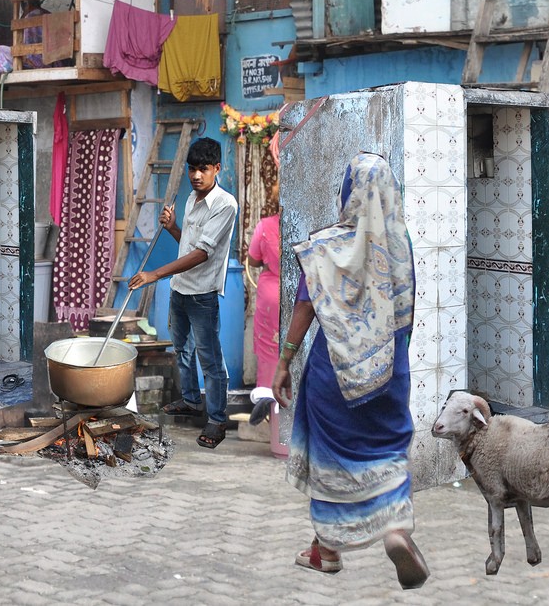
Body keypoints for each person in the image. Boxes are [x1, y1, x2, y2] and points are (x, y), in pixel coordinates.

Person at [274, 150, 429, 588]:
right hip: (389, 372)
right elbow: (406, 309)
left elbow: (305, 305)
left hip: (334, 375)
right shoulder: (400, 243)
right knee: (388, 450)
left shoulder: (328, 247)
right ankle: (395, 529)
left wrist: (284, 362)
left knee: (330, 458)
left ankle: (326, 550)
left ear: (348, 192)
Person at [131, 137, 238, 450]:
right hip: (179, 289)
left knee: (210, 359)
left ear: (217, 168)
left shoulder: (225, 205)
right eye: (192, 169)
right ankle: (191, 401)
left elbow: (202, 254)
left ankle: (217, 420)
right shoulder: (191, 199)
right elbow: (188, 244)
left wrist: (155, 274)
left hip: (202, 293)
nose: (196, 175)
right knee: (182, 349)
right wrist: (173, 227)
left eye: (203, 169)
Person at [245, 189, 283, 427]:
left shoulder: (266, 225)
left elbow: (253, 259)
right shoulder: (305, 224)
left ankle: (268, 399)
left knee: (270, 344)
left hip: (271, 292)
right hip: (299, 291)